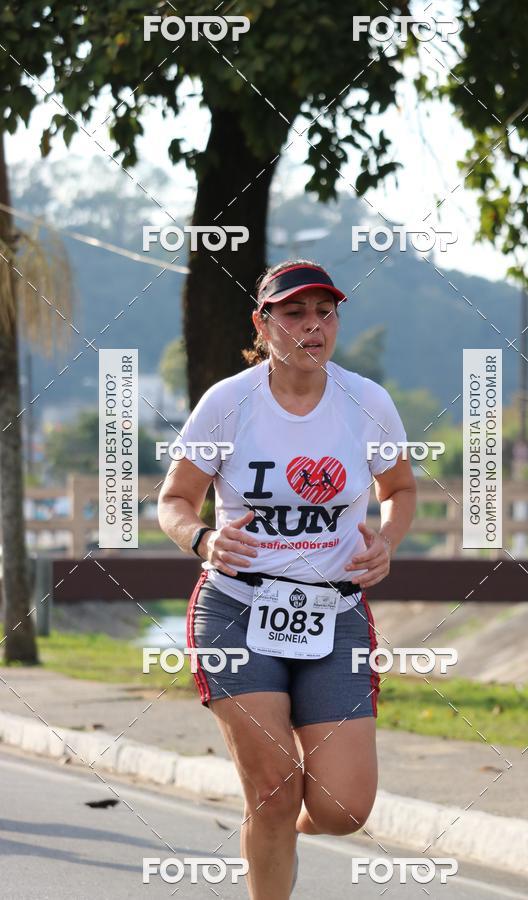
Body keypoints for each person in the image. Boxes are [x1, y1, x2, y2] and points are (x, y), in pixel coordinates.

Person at [158, 259, 417, 899]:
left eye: (325, 312)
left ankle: (278, 828)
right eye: (294, 313)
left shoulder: (367, 402)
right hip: (238, 610)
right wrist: (204, 538)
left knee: (343, 809)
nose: (312, 325)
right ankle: (272, 827)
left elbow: (401, 487)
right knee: (273, 791)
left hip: (335, 614)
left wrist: (386, 540)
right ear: (262, 323)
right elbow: (173, 500)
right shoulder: (227, 402)